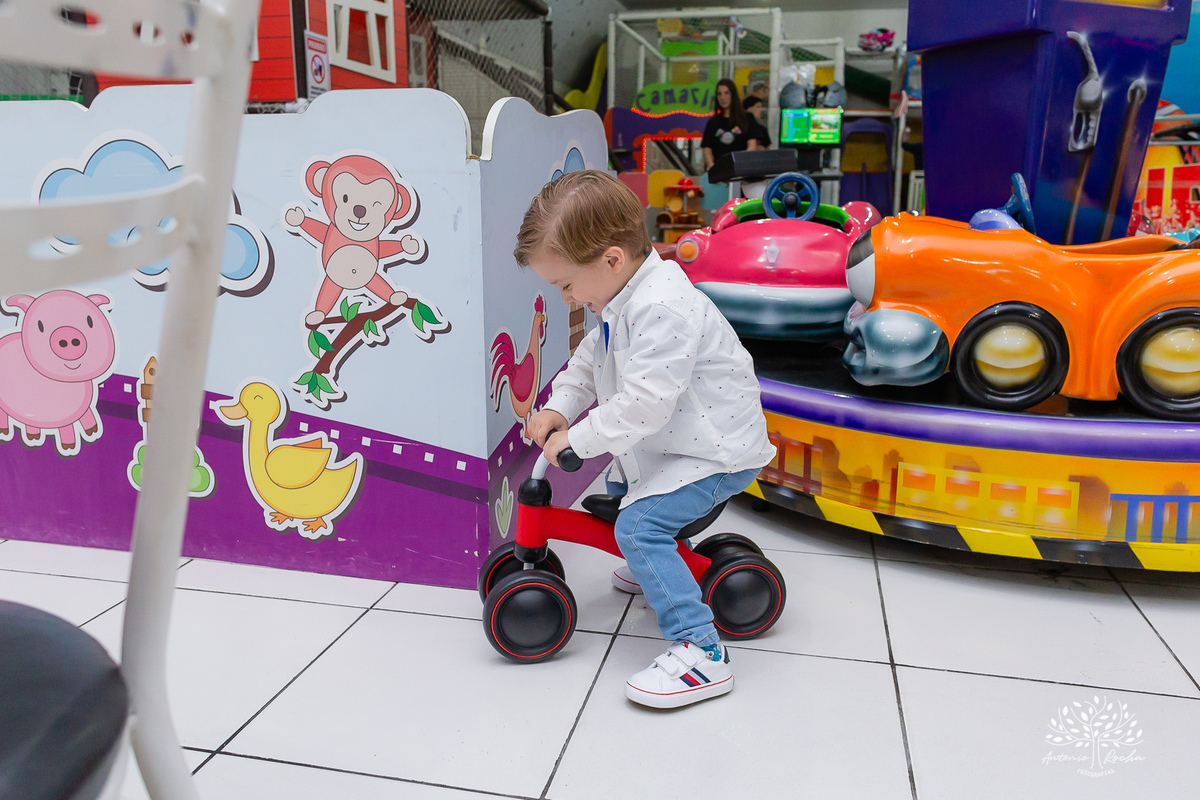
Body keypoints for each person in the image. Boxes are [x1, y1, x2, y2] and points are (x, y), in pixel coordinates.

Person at [515, 171, 776, 708]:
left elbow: (644, 403)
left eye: (565, 284)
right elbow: (589, 361)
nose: (565, 296)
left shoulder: (662, 308)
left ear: (611, 260)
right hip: (678, 443)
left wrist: (576, 442)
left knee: (638, 522)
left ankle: (702, 651)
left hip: (715, 452)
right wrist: (559, 408)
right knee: (623, 494)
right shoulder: (621, 299)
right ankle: (657, 562)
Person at [701, 78, 761, 170]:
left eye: (726, 93)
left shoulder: (747, 118)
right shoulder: (713, 122)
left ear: (733, 95)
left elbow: (752, 145)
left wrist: (742, 163)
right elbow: (707, 148)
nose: (723, 97)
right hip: (720, 172)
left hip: (742, 169)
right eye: (719, 94)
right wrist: (711, 165)